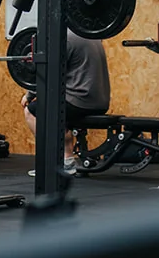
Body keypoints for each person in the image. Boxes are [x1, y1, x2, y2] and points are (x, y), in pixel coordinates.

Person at [22, 28, 111, 175]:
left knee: (32, 111)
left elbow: (49, 73)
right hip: (100, 102)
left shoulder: (66, 39)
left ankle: (58, 161)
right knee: (53, 108)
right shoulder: (91, 35)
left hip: (79, 101)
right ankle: (67, 158)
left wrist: (30, 95)